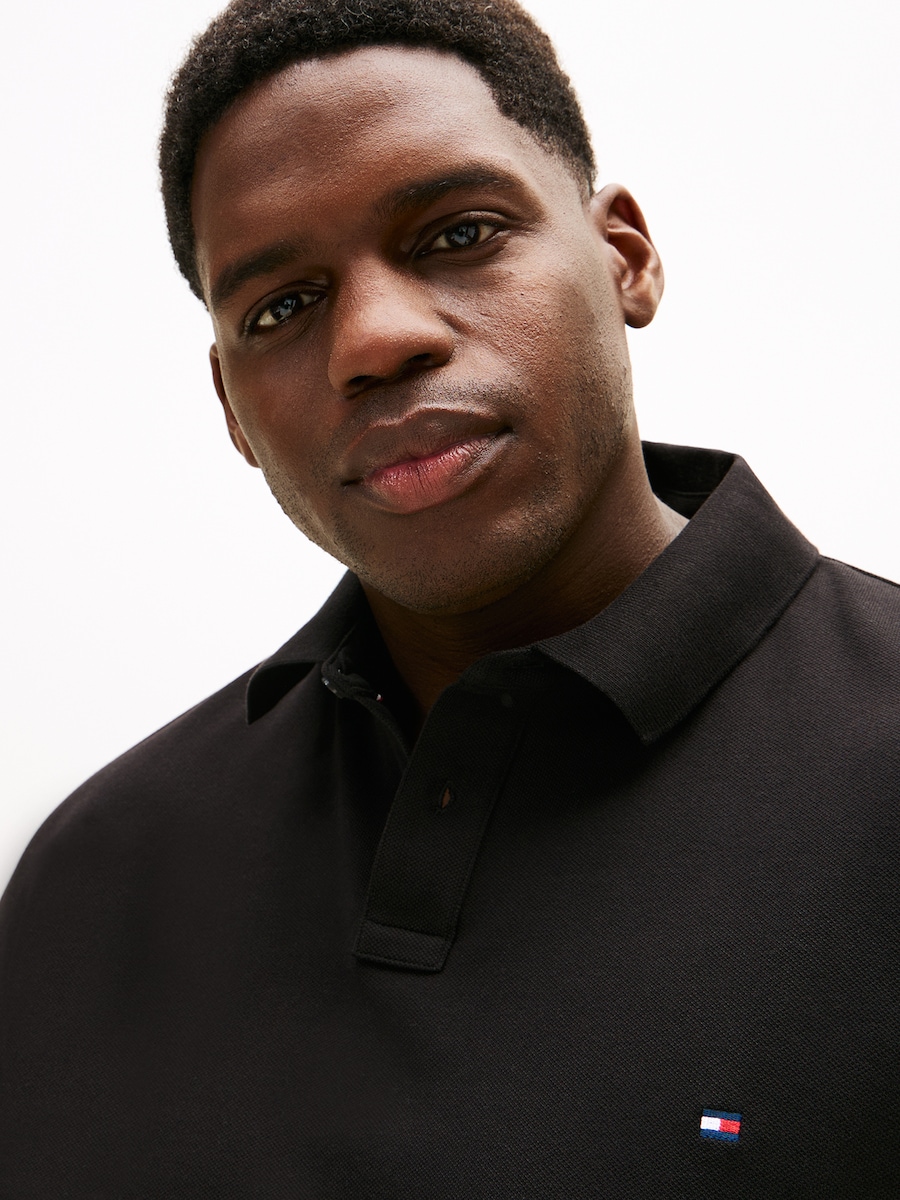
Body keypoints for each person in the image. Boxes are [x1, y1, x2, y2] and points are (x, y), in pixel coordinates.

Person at [0, 0, 897, 1193]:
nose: (372, 341)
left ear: (624, 257)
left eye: (459, 233)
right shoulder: (95, 881)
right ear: (233, 412)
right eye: (282, 307)